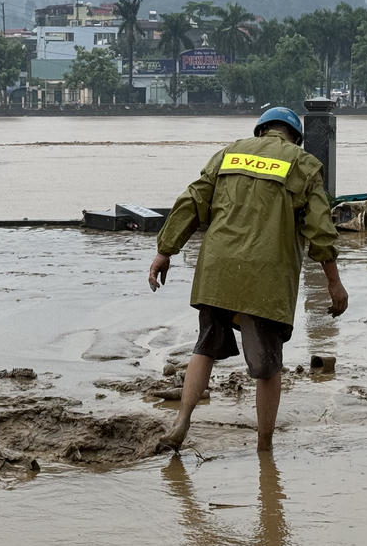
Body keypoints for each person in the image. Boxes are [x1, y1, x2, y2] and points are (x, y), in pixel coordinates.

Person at [148, 106, 348, 452]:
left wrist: (165, 250)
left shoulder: (229, 153)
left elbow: (193, 200)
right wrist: (334, 283)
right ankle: (264, 448)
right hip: (265, 277)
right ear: (295, 137)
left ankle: (181, 420)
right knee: (267, 367)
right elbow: (319, 230)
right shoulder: (303, 164)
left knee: (205, 348)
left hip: (217, 269)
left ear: (260, 131)